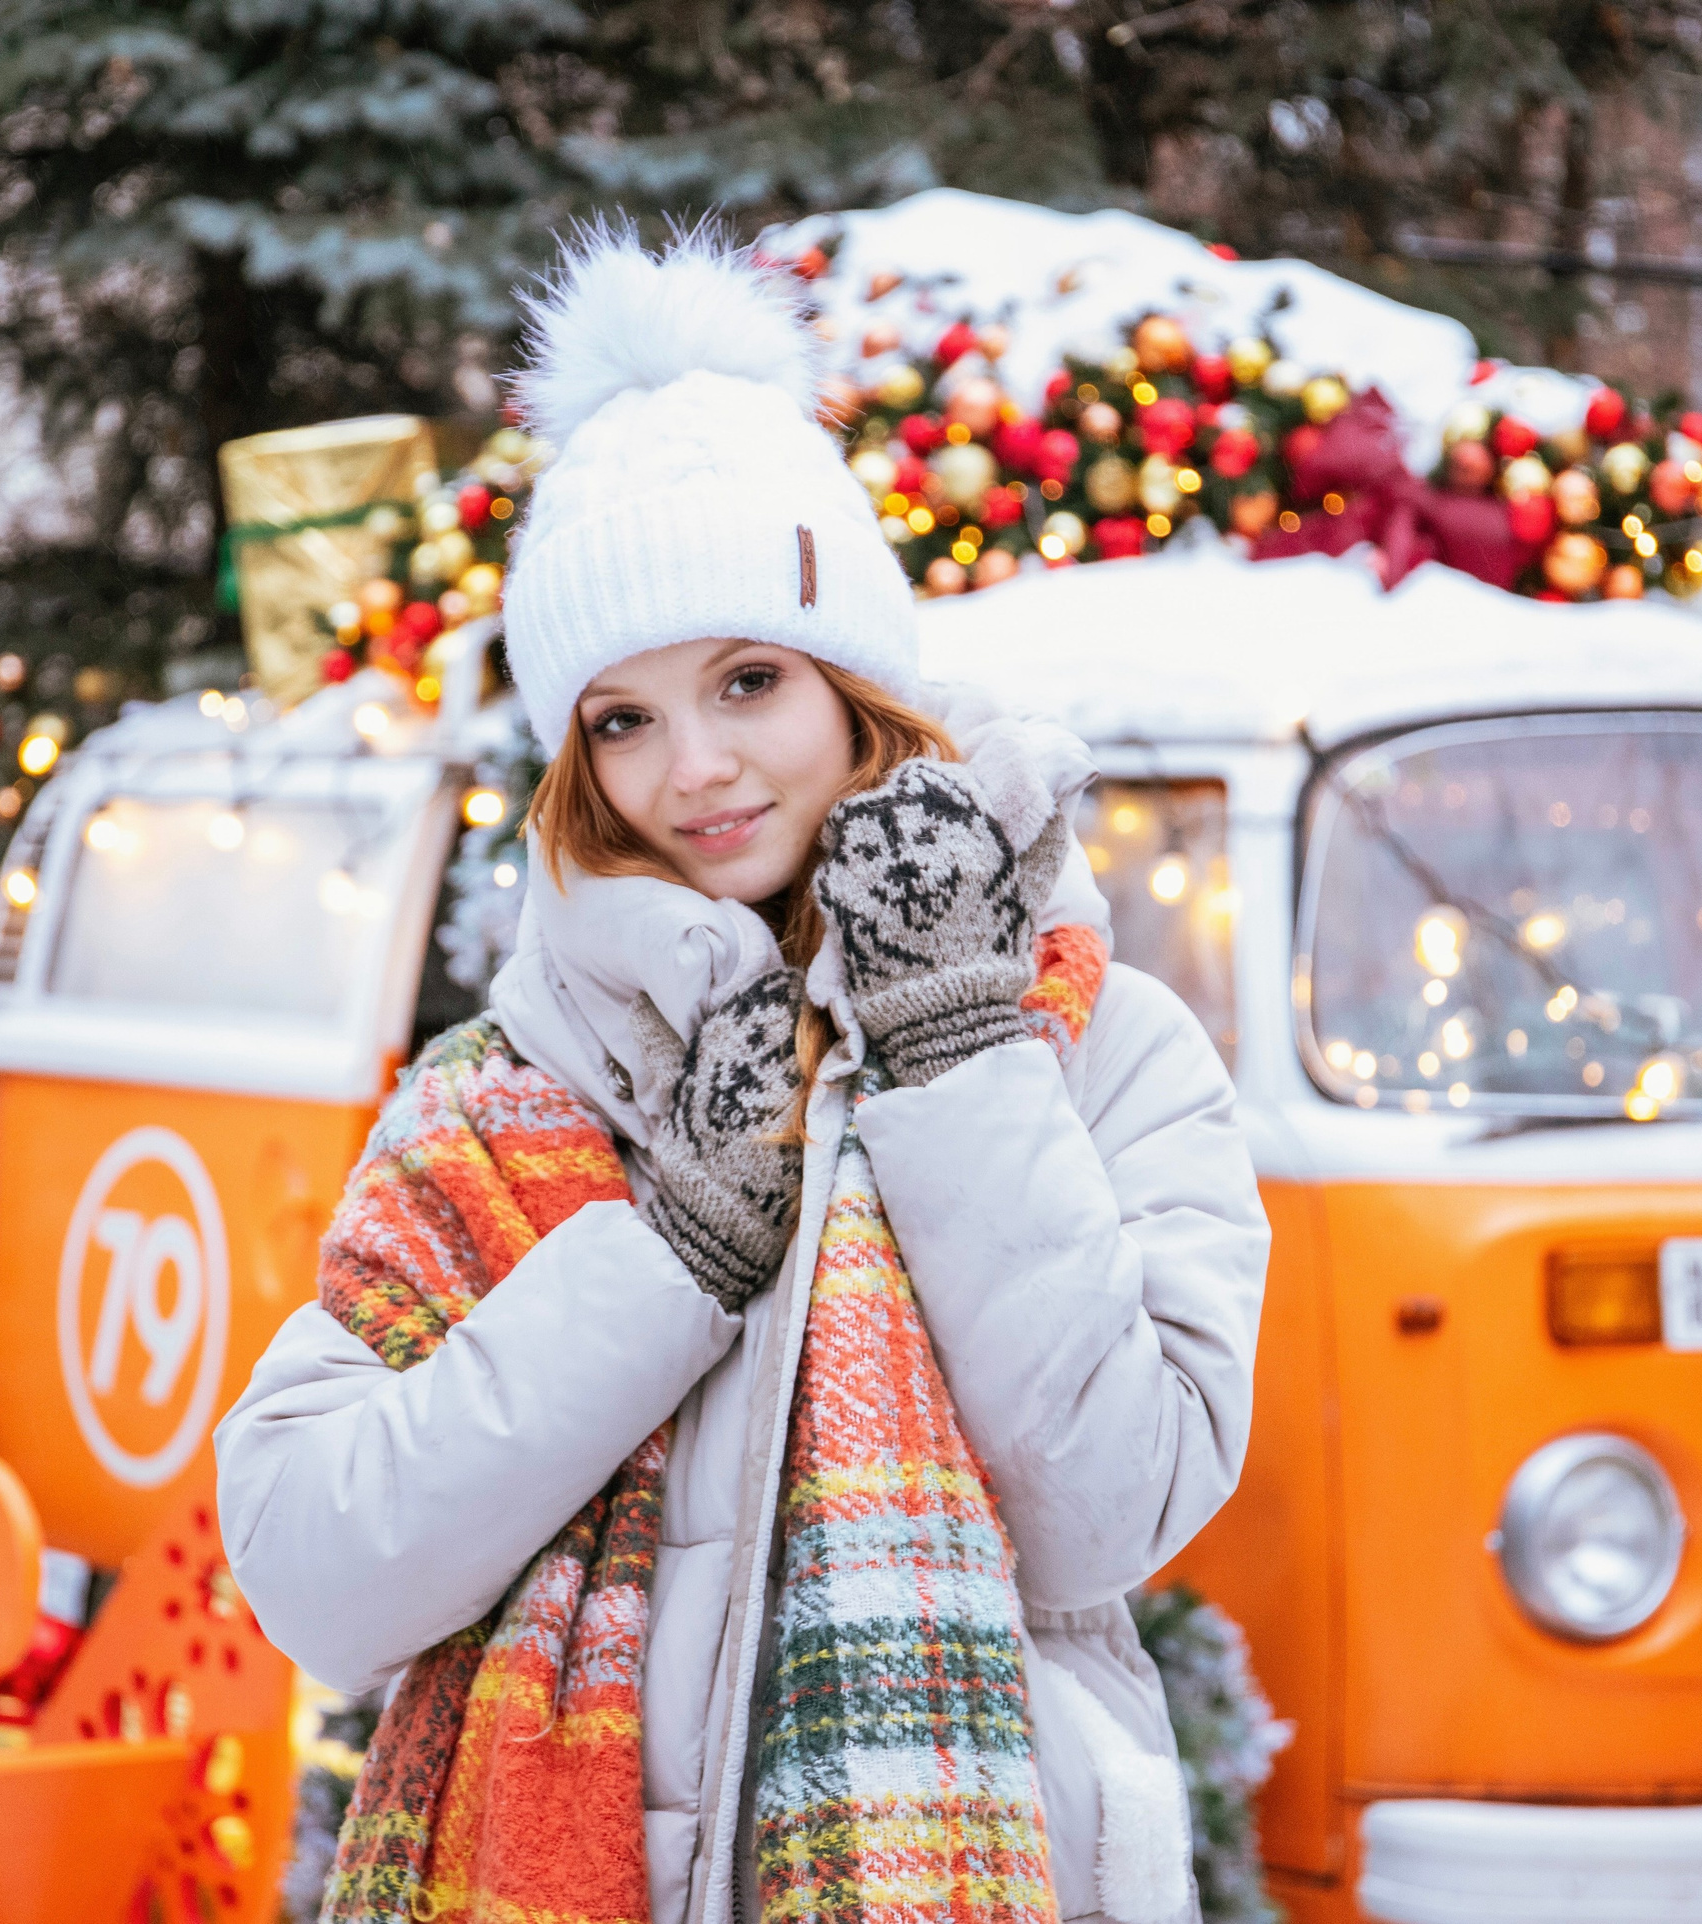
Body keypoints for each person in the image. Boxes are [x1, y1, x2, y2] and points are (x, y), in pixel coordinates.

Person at [215, 226, 1270, 1924]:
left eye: (750, 681)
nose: (692, 769)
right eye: (618, 721)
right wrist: (671, 1257)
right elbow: (313, 1573)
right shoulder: (504, 1097)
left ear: (861, 688)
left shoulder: (1101, 1051)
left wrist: (951, 1062)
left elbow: (1108, 1516)